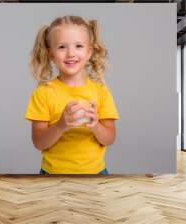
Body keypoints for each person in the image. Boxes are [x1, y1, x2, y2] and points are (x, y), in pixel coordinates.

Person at [25, 15, 119, 175]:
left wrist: (96, 126)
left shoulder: (101, 92)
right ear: (51, 53)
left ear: (89, 52)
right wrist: (61, 125)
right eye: (62, 47)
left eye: (79, 46)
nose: (70, 53)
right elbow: (39, 142)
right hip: (52, 175)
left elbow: (109, 139)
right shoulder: (43, 93)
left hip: (96, 174)